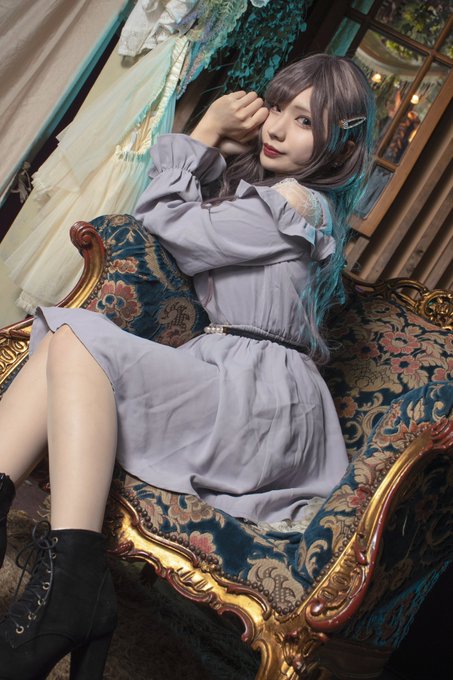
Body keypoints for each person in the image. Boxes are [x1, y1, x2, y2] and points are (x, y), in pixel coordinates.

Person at [0, 54, 375, 679]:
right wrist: (211, 152)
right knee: (67, 336)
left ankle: (71, 593)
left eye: (305, 121)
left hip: (262, 403)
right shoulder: (268, 196)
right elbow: (175, 230)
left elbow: (161, 227)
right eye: (277, 107)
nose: (276, 127)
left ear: (341, 144)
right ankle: (73, 593)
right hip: (228, 370)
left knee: (74, 337)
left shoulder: (296, 202)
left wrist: (203, 133)